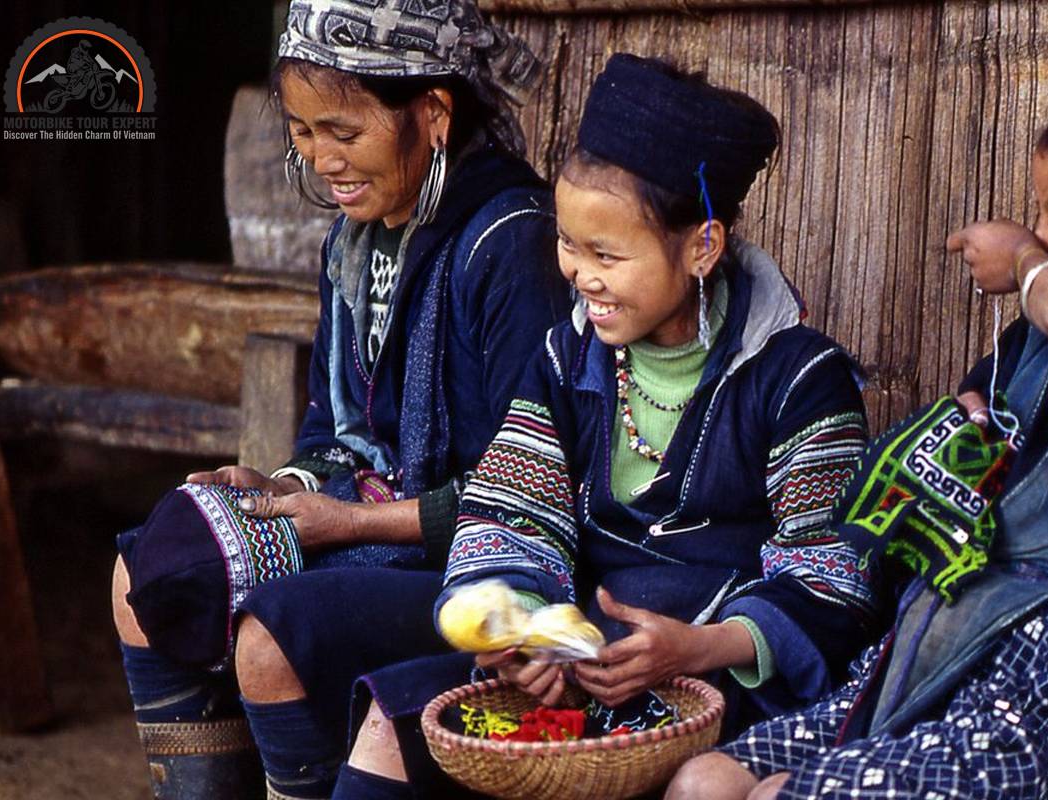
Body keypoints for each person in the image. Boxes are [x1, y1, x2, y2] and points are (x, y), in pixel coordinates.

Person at [667, 28, 1048, 799]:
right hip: (936, 647)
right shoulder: (1031, 340)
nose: (1038, 236)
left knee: (780, 798)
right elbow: (955, 455)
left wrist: (1028, 261)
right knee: (708, 780)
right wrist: (956, 440)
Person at [324, 54, 879, 799]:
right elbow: (510, 513)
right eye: (568, 244)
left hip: (724, 694)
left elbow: (834, 578)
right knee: (395, 727)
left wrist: (700, 646)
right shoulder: (565, 359)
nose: (579, 275)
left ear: (702, 247)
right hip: (586, 676)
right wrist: (526, 631)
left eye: (607, 254)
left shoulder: (799, 380)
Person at [107, 1, 569, 796]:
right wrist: (285, 487)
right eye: (303, 131)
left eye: (344, 132)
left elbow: (531, 494)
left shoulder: (508, 243)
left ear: (432, 113)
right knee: (149, 569)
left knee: (273, 637)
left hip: (484, 573)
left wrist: (352, 522)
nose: (322, 159)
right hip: (367, 523)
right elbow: (332, 432)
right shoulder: (353, 244)